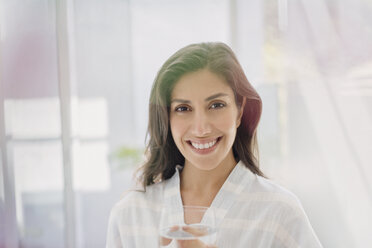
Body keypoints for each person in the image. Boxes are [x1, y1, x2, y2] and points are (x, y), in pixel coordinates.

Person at [106, 42, 322, 247]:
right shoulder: (130, 215)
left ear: (240, 111)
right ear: (166, 118)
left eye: (216, 105)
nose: (201, 129)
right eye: (183, 108)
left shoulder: (279, 212)